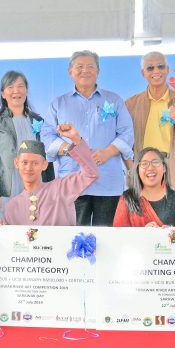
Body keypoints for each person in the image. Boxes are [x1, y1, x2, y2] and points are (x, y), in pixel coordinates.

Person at [42, 50, 134, 226]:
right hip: (72, 181)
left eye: (90, 66)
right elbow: (47, 135)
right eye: (79, 67)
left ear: (98, 71)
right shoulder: (58, 103)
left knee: (106, 237)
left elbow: (127, 132)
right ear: (70, 72)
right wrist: (71, 150)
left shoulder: (114, 100)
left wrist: (107, 152)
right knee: (73, 236)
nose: (85, 70)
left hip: (108, 182)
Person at [0, 71, 53, 224]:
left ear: (26, 90)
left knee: (33, 230)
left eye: (20, 86)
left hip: (36, 185)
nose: (16, 91)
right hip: (7, 187)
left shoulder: (38, 121)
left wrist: (50, 190)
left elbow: (47, 157)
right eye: (10, 87)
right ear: (3, 94)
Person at [125, 52, 175, 194]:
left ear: (167, 70)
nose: (156, 71)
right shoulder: (130, 104)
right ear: (143, 73)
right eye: (150, 68)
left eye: (160, 66)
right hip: (140, 176)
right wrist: (132, 169)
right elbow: (122, 143)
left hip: (173, 175)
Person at [3, 124, 98, 225]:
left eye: (35, 163)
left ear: (44, 165)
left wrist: (76, 139)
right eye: (24, 162)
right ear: (16, 163)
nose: (29, 168)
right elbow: (11, 234)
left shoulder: (61, 189)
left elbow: (90, 173)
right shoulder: (12, 206)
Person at [114, 148, 175, 227]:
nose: (150, 168)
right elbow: (118, 233)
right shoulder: (127, 198)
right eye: (144, 164)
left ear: (164, 168)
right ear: (138, 170)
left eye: (155, 162)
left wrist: (168, 232)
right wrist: (144, 232)